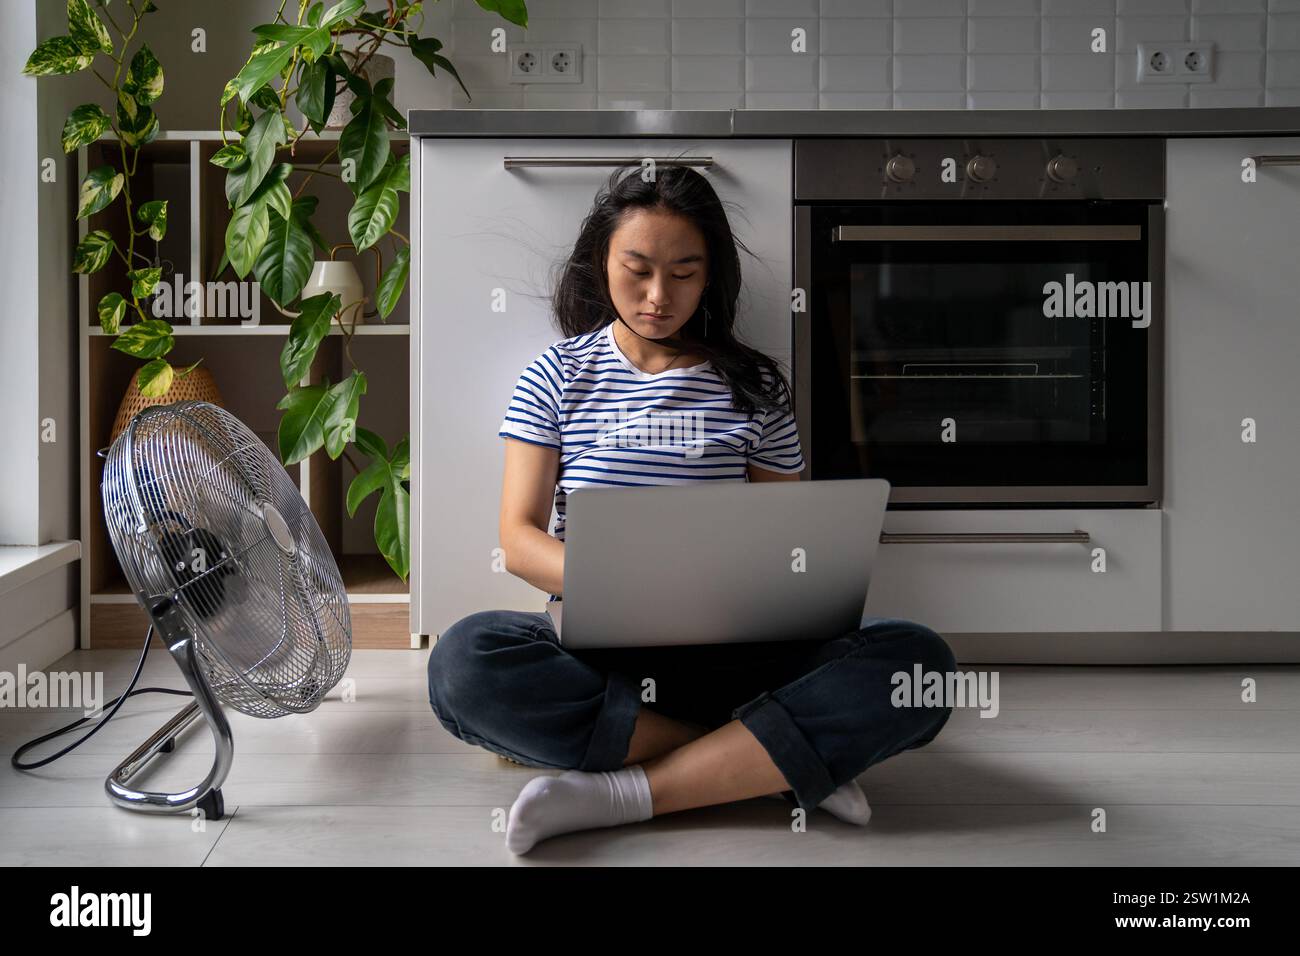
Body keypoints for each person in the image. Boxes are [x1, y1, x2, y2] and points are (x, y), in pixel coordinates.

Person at [426, 163, 957, 856]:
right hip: (602, 654)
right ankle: (764, 763)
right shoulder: (556, 376)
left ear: (711, 278)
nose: (657, 296)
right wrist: (631, 585)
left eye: (684, 272)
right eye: (637, 268)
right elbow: (520, 540)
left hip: (736, 654)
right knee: (463, 663)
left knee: (919, 663)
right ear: (600, 261)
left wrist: (738, 591)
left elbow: (790, 547)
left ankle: (628, 793)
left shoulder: (754, 387)